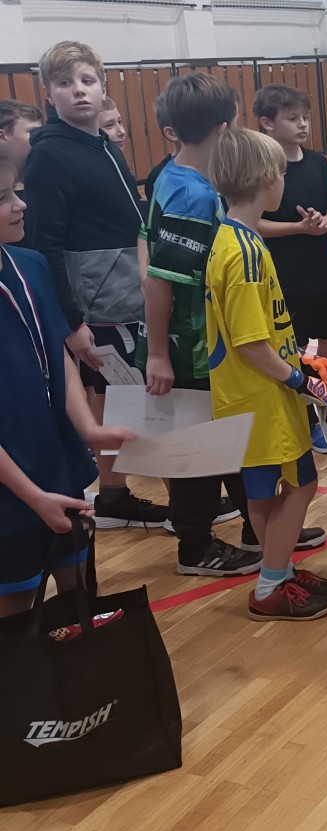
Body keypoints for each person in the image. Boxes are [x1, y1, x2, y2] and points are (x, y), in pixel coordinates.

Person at [21, 41, 168, 531]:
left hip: (127, 295)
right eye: (65, 83)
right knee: (140, 400)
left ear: (103, 86)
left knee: (118, 400)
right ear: (48, 93)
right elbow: (46, 245)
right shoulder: (49, 155)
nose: (79, 91)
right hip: (99, 307)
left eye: (87, 81)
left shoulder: (102, 144)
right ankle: (189, 514)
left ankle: (114, 495)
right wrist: (71, 322)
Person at [139, 73, 278, 577]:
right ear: (225, 129)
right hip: (192, 347)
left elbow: (143, 243)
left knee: (233, 438)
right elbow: (160, 280)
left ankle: (261, 528)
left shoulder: (175, 177)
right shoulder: (192, 197)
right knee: (198, 452)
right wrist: (159, 353)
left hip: (205, 344)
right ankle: (195, 547)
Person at [207, 127, 327, 621]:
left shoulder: (231, 237)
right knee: (302, 484)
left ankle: (280, 569)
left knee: (263, 491)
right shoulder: (245, 254)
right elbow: (250, 344)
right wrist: (300, 379)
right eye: (282, 174)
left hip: (246, 394)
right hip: (262, 395)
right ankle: (270, 585)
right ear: (267, 180)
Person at [0, 143, 133, 617]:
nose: (20, 205)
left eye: (15, 191)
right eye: (3, 198)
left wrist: (90, 430)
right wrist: (33, 497)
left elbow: (57, 357)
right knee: (18, 607)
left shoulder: (31, 265)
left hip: (55, 461)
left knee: (77, 588)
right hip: (11, 484)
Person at [254, 83, 327, 452]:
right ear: (267, 123)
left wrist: (326, 222)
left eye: (305, 117)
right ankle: (307, 418)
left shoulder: (318, 163)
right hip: (284, 275)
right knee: (295, 346)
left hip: (322, 268)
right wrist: (298, 228)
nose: (303, 124)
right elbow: (252, 222)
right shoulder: (261, 168)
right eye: (293, 118)